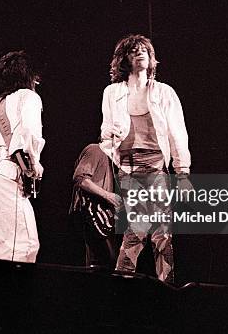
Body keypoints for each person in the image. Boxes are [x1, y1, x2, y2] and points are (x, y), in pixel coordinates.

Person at [100, 34, 192, 282]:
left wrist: (182, 173)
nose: (140, 53)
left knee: (162, 232)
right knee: (137, 229)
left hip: (156, 168)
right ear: (124, 59)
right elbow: (105, 132)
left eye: (144, 50)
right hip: (129, 170)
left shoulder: (163, 92)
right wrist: (110, 139)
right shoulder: (112, 92)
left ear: (151, 58)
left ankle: (166, 287)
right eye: (134, 51)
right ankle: (121, 282)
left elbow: (177, 134)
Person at [0, 50, 44, 263]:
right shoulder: (29, 97)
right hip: (7, 173)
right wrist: (35, 165)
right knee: (24, 246)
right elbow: (30, 135)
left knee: (3, 247)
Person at [71, 143, 123, 269]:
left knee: (103, 263)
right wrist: (107, 195)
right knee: (106, 263)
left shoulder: (111, 161)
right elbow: (80, 179)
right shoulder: (95, 149)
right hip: (90, 213)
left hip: (99, 216)